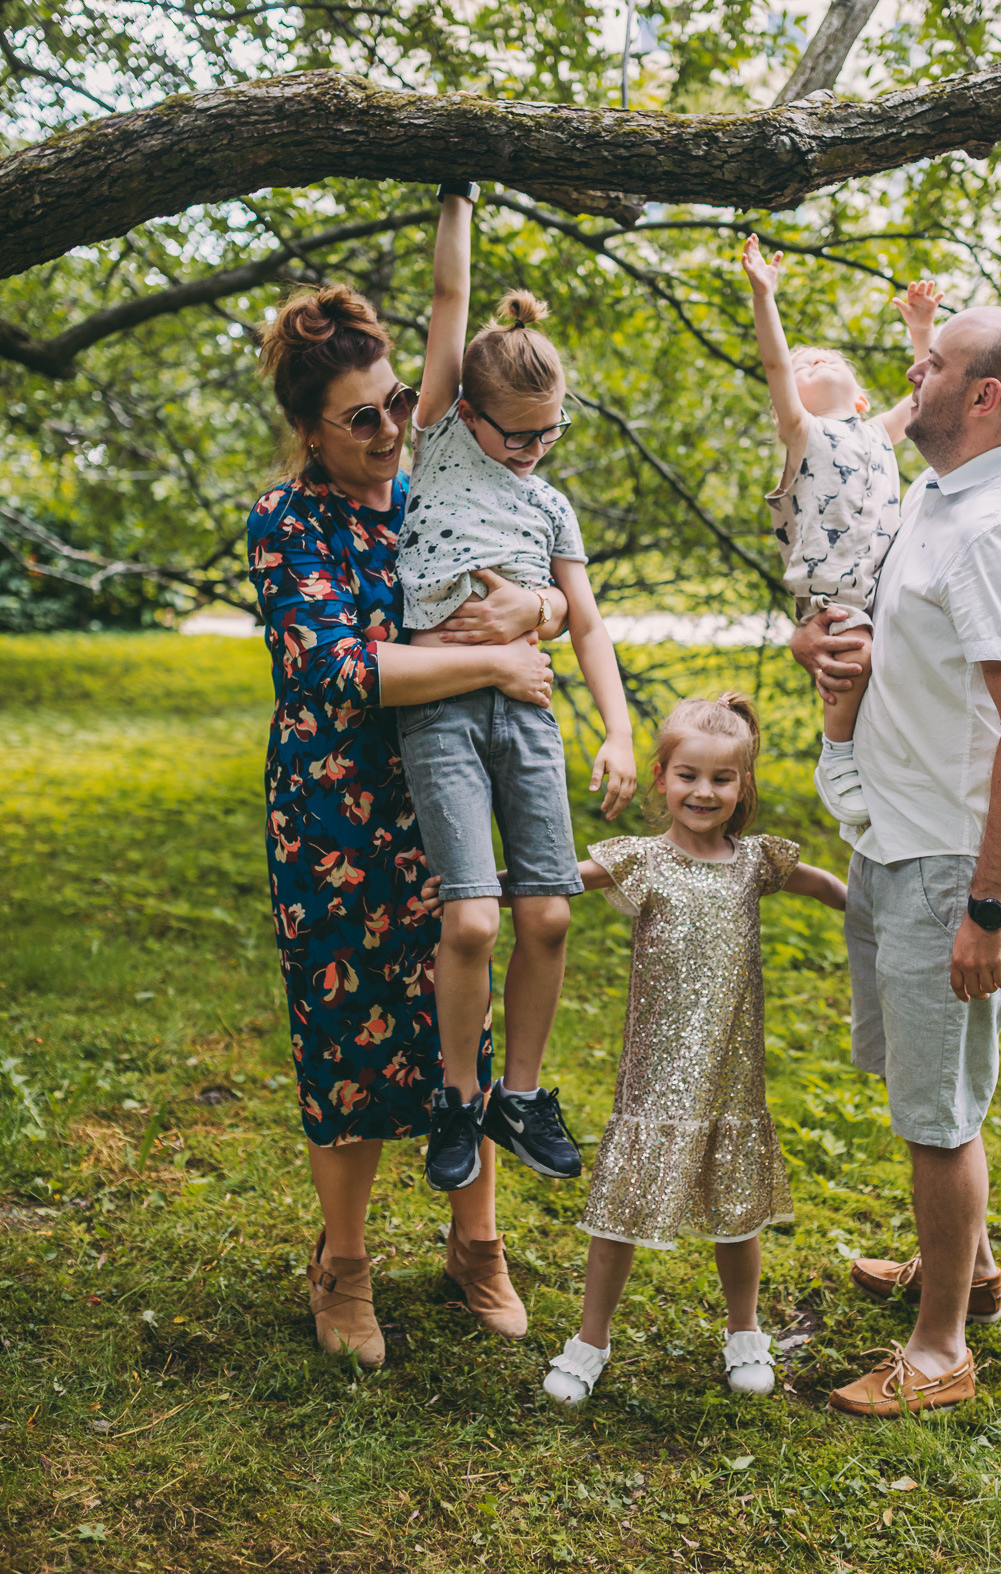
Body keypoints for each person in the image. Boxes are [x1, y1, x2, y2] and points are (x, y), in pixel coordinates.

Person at [248, 281, 571, 1366]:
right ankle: (343, 1265)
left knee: (456, 1026)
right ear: (309, 429)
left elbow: (541, 574)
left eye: (395, 403)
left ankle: (475, 1244)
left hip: (450, 794)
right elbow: (335, 670)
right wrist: (498, 657)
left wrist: (549, 610)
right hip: (337, 813)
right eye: (361, 418)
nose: (390, 429)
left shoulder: (433, 484)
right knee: (344, 1042)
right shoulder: (286, 523)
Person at [791, 304, 1001, 1418]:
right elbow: (893, 630)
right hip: (899, 837)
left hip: (955, 864)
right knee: (935, 1093)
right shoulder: (936, 498)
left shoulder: (996, 530)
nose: (916, 372)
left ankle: (941, 1345)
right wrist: (825, 647)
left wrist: (987, 911)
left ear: (984, 396)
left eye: (935, 362)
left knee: (937, 1117)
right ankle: (969, 1265)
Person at [393, 184, 637, 1196]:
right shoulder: (441, 438)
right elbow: (450, 294)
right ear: (466, 414)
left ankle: (521, 1096)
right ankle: (457, 1093)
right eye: (516, 435)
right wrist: (458, 190)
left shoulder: (552, 504)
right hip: (442, 706)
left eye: (549, 435)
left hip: (529, 708)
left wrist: (620, 733)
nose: (532, 451)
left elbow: (584, 620)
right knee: (474, 920)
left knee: (547, 914)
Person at [516, 693, 843, 1403]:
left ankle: (745, 1333)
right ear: (662, 777)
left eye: (722, 779)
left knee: (737, 1210)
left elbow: (818, 884)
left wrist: (876, 907)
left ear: (742, 786)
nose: (704, 792)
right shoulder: (642, 860)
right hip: (657, 1075)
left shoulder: (754, 861)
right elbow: (564, 878)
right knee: (622, 1210)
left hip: (729, 1074)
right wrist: (488, 887)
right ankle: (590, 1341)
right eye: (688, 776)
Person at [742, 233, 941, 825]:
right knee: (852, 657)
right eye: (805, 364)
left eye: (829, 359)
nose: (814, 359)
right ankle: (837, 754)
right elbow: (776, 361)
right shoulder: (804, 434)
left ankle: (883, 757)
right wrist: (764, 295)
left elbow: (926, 392)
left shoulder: (876, 431)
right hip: (835, 595)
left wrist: (923, 332)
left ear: (861, 400)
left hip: (886, 586)